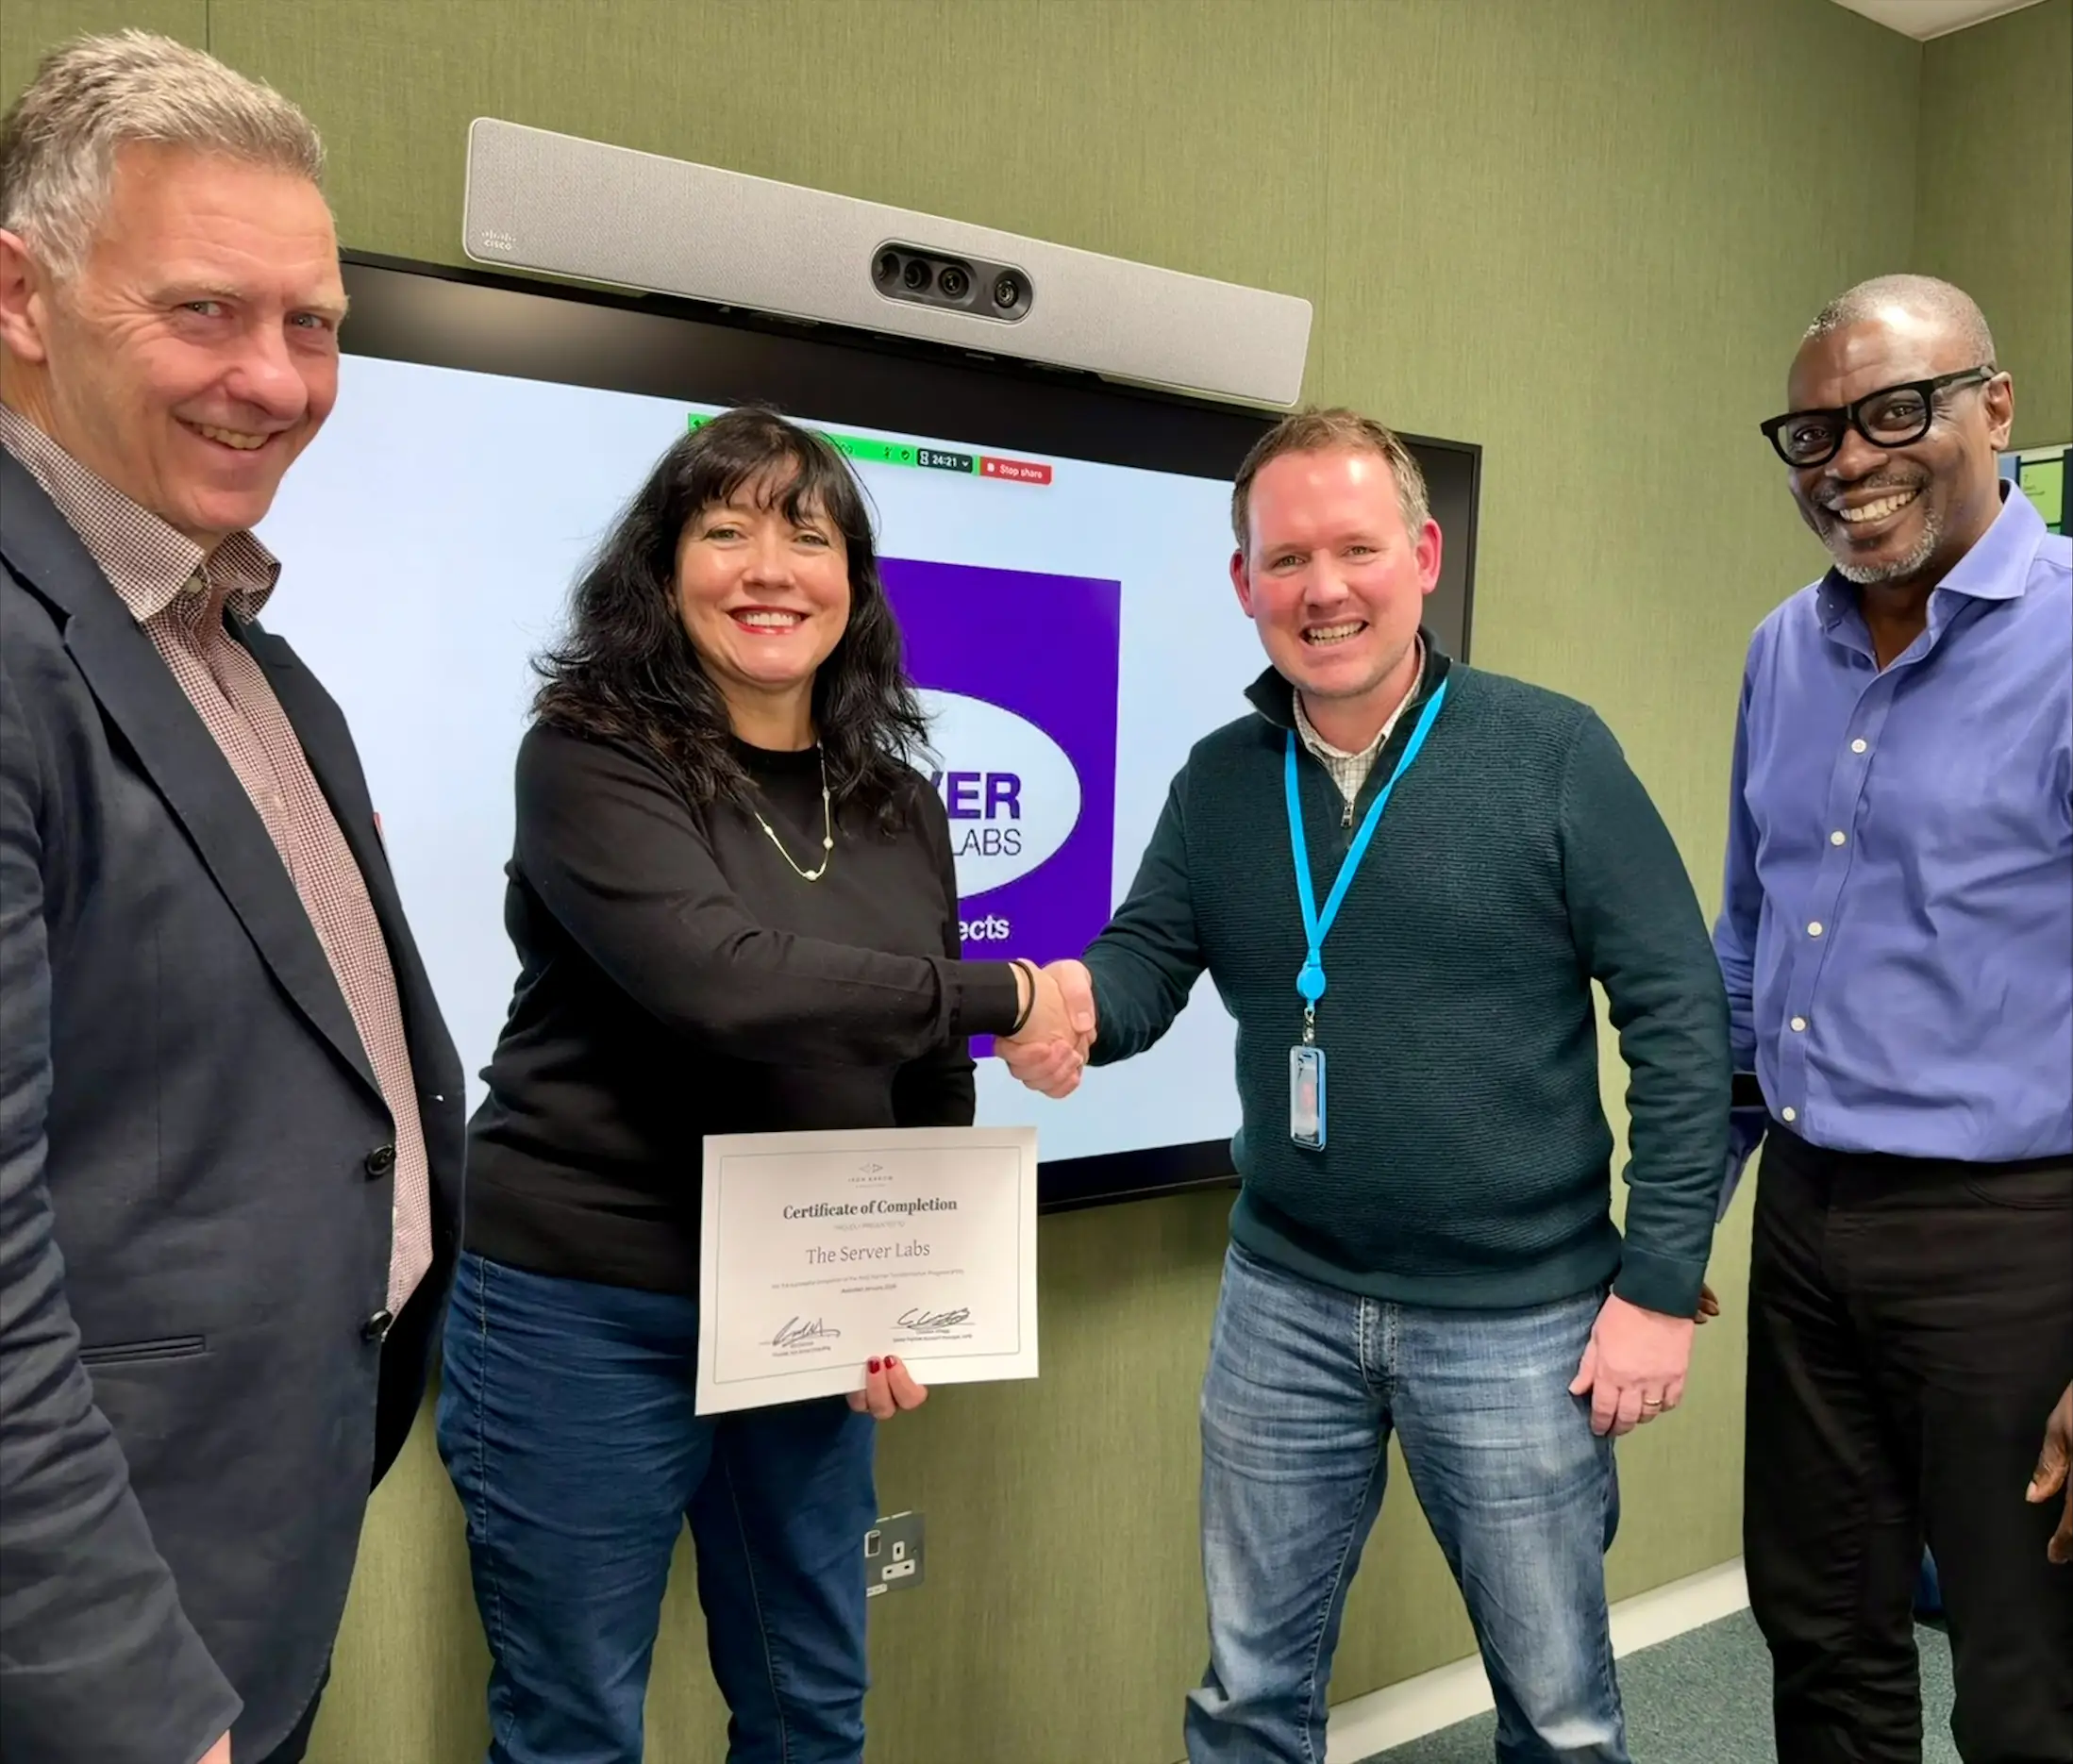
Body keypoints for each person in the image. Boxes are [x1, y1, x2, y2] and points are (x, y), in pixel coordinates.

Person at [1002, 408, 1731, 1763]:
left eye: (1354, 548)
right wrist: (1072, 1008)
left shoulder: (1551, 751)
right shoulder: (1222, 780)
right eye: (1284, 559)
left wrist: (1654, 1282)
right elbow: (1148, 960)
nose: (1321, 588)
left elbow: (1683, 1021)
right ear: (1243, 583)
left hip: (1521, 1316)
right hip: (1283, 1300)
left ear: (1424, 555)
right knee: (1247, 1699)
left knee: (1561, 1717)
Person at [435, 406, 1087, 1764]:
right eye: (723, 531)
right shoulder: (589, 754)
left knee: (812, 1710)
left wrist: (913, 1292)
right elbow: (725, 983)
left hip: (804, 1307)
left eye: (807, 532)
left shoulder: (900, 801)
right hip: (583, 1305)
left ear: (852, 580)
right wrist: (1009, 990)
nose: (767, 566)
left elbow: (921, 1069)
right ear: (665, 572)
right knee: (573, 1727)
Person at [0, 32, 463, 1764]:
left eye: (315, 322)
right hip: (97, 1641)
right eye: (203, 310)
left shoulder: (244, 653)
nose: (274, 379)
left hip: (250, 1532)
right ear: (22, 299)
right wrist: (129, 1689)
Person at [1719, 273, 2072, 1762]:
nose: (1847, 460)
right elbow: (1747, 945)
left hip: (2016, 1240)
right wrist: (1680, 1226)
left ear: (1996, 407)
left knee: (2029, 1674)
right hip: (1809, 1216)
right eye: (1812, 433)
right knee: (1822, 1632)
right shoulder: (1780, 653)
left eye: (1892, 411)